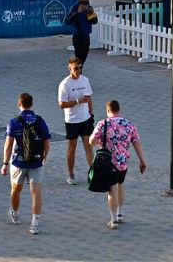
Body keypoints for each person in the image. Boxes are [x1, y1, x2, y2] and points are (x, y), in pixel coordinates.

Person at [89, 100, 147, 230]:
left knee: (111, 189)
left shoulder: (103, 124)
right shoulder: (129, 125)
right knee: (120, 185)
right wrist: (142, 161)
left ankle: (113, 219)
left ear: (108, 110)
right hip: (123, 163)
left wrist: (99, 143)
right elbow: (136, 143)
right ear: (119, 109)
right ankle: (120, 213)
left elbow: (91, 140)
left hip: (108, 163)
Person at [2, 92, 51, 235]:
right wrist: (44, 157)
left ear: (19, 104)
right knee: (36, 193)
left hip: (19, 162)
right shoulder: (39, 120)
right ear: (32, 104)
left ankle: (15, 215)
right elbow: (47, 142)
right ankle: (34, 224)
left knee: (16, 189)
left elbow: (8, 144)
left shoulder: (14, 121)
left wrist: (5, 163)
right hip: (36, 162)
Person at [57, 57, 93, 186]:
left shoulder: (85, 80)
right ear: (69, 68)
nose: (78, 70)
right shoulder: (65, 84)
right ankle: (71, 174)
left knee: (88, 146)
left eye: (80, 67)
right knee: (72, 147)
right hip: (72, 121)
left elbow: (89, 97)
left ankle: (92, 172)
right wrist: (78, 101)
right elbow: (61, 104)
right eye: (76, 68)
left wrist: (91, 112)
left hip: (86, 119)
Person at [63, 0, 98, 64]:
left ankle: (79, 73)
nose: (85, 0)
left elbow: (94, 22)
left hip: (86, 37)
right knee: (78, 59)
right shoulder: (75, 7)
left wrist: (92, 14)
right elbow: (67, 21)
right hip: (78, 37)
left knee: (83, 58)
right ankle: (77, 74)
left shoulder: (89, 7)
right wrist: (77, 12)